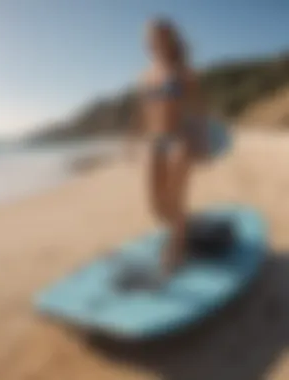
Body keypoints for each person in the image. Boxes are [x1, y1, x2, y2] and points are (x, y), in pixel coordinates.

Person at [130, 18, 209, 279]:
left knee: (176, 197)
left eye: (160, 36)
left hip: (179, 139)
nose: (155, 42)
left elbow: (198, 109)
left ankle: (177, 249)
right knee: (156, 204)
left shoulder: (183, 71)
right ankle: (182, 230)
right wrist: (136, 142)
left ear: (170, 39)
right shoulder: (144, 77)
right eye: (150, 38)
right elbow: (144, 113)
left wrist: (202, 141)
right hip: (155, 143)